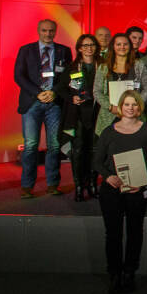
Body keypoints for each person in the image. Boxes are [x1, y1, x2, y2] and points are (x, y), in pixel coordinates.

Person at [93, 90, 147, 294]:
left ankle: (130, 272)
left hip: (137, 190)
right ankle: (115, 273)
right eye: (127, 104)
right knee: (113, 233)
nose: (131, 108)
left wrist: (144, 182)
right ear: (121, 107)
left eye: (135, 104)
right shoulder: (108, 132)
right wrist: (107, 176)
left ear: (140, 108)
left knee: (135, 231)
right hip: (112, 189)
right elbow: (96, 161)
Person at [14, 19, 73, 198]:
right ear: (38, 31)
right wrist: (38, 93)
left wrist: (54, 92)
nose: (48, 34)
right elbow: (19, 76)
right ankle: (26, 186)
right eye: (44, 31)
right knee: (31, 146)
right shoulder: (26, 50)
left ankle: (53, 184)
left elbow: (68, 77)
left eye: (51, 31)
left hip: (54, 104)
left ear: (55, 31)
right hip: (32, 102)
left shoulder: (64, 51)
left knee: (54, 146)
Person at [56, 34, 99, 201]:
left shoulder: (102, 66)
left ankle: (93, 184)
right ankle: (79, 186)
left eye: (92, 45)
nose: (89, 48)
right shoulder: (73, 67)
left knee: (95, 151)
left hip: (97, 114)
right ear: (79, 48)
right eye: (85, 45)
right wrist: (71, 98)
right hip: (79, 115)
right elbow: (60, 88)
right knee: (78, 152)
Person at [94, 33, 147, 137]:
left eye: (125, 44)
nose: (122, 47)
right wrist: (110, 107)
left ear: (130, 46)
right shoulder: (103, 67)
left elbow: (146, 89)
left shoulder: (139, 65)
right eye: (118, 44)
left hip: (134, 114)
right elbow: (97, 91)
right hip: (109, 115)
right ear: (113, 47)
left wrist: (135, 106)